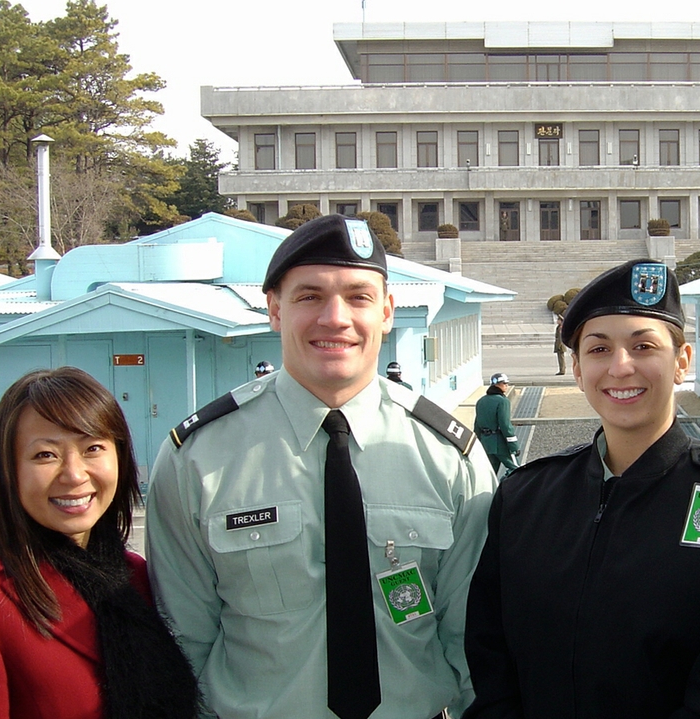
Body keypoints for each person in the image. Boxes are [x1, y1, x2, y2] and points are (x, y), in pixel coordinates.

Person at [146, 214, 498, 719]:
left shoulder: (449, 457)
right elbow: (184, 640)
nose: (335, 318)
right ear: (273, 309)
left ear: (387, 312)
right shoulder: (198, 457)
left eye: (358, 297)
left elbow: (471, 639)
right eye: (309, 296)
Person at [465, 259, 700, 718]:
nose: (621, 367)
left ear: (681, 362)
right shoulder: (526, 498)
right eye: (598, 350)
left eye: (643, 346)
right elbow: (489, 651)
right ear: (577, 369)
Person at [0, 367, 199, 719]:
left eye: (93, 447)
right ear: (9, 470)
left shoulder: (133, 576)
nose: (74, 474)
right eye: (45, 455)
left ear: (120, 458)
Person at [473, 373, 519, 475]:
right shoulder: (503, 401)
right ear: (496, 385)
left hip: (486, 442)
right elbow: (505, 425)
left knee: (490, 473)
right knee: (516, 470)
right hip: (500, 443)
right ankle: (505, 487)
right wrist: (513, 445)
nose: (506, 385)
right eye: (504, 383)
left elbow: (477, 424)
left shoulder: (481, 401)